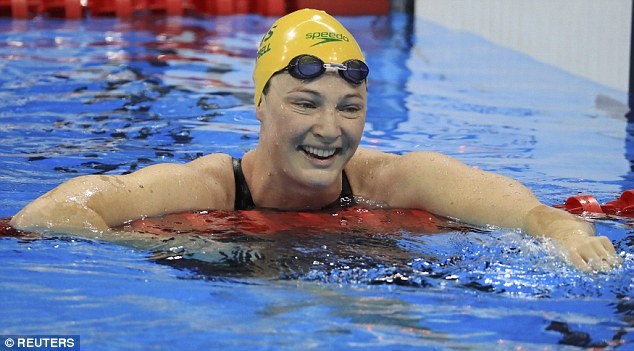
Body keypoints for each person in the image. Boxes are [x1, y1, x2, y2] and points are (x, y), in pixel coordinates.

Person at [9, 9, 621, 272]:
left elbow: (532, 213)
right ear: (260, 105)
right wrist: (181, 248)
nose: (331, 131)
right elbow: (49, 214)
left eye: (350, 108)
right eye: (306, 104)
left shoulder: (395, 180)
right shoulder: (207, 187)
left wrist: (567, 231)